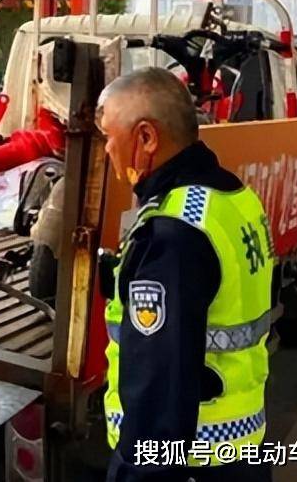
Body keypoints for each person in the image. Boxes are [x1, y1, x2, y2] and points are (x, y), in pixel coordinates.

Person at [98, 67, 273, 482]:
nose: (106, 149)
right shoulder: (233, 197)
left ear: (146, 138)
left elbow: (159, 391)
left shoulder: (173, 233)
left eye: (108, 136)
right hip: (242, 449)